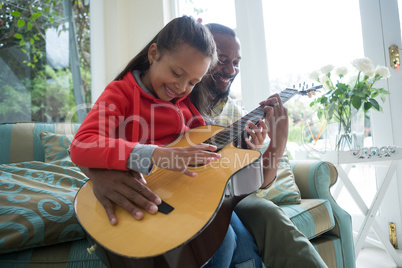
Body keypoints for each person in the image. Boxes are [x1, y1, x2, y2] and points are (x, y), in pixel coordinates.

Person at [70, 16, 263, 267]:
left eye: (193, 82)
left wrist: (247, 148)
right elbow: (82, 143)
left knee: (246, 247)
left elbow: (207, 153)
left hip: (186, 192)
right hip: (147, 192)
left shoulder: (184, 105)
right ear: (154, 53)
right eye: (176, 73)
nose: (182, 87)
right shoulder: (121, 93)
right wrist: (156, 154)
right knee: (223, 243)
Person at [190, 23, 328, 268]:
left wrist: (274, 145)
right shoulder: (179, 99)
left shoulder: (235, 112)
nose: (231, 69)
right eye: (222, 59)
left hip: (229, 199)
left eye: (237, 62)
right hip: (191, 198)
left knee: (267, 212)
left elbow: (255, 185)